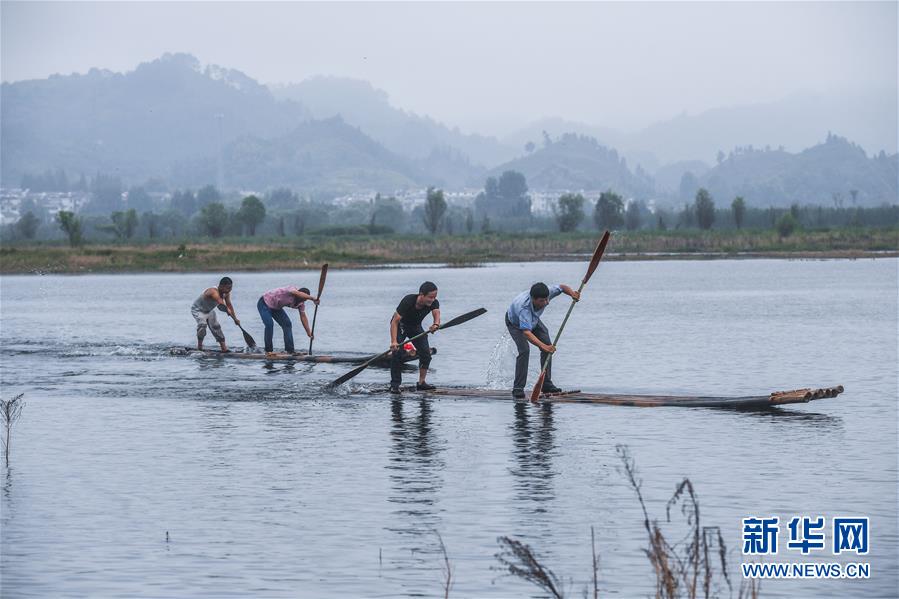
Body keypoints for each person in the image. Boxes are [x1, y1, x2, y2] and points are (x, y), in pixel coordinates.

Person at [505, 282, 580, 398]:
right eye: (542, 301)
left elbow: (562, 287)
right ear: (533, 299)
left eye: (547, 299)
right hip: (515, 324)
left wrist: (572, 294)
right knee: (525, 350)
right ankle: (518, 388)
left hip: (533, 321)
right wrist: (544, 347)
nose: (546, 303)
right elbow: (526, 333)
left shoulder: (547, 292)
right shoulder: (524, 308)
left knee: (547, 345)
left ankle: (546, 384)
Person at [389, 281, 441, 394]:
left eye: (434, 297)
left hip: (415, 327)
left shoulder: (434, 303)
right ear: (421, 295)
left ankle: (421, 383)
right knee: (397, 353)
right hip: (400, 325)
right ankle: (395, 385)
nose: (432, 300)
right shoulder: (408, 300)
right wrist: (393, 342)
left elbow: (436, 315)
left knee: (426, 353)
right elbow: (394, 321)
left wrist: (435, 325)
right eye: (430, 297)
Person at [257, 285, 319, 356]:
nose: (301, 301)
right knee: (269, 325)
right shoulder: (291, 289)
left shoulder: (301, 304)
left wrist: (308, 332)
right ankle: (268, 351)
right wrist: (313, 298)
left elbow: (303, 317)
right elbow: (297, 293)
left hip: (276, 308)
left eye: (304, 300)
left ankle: (290, 350)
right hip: (264, 303)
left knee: (287, 324)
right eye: (301, 298)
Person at [191, 277, 240, 352]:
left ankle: (224, 349)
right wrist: (227, 311)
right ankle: (199, 348)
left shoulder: (226, 294)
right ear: (221, 286)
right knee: (202, 325)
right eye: (228, 288)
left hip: (209, 310)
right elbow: (221, 304)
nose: (229, 290)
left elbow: (229, 305)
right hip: (198, 310)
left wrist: (235, 319)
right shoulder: (213, 291)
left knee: (216, 326)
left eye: (231, 288)